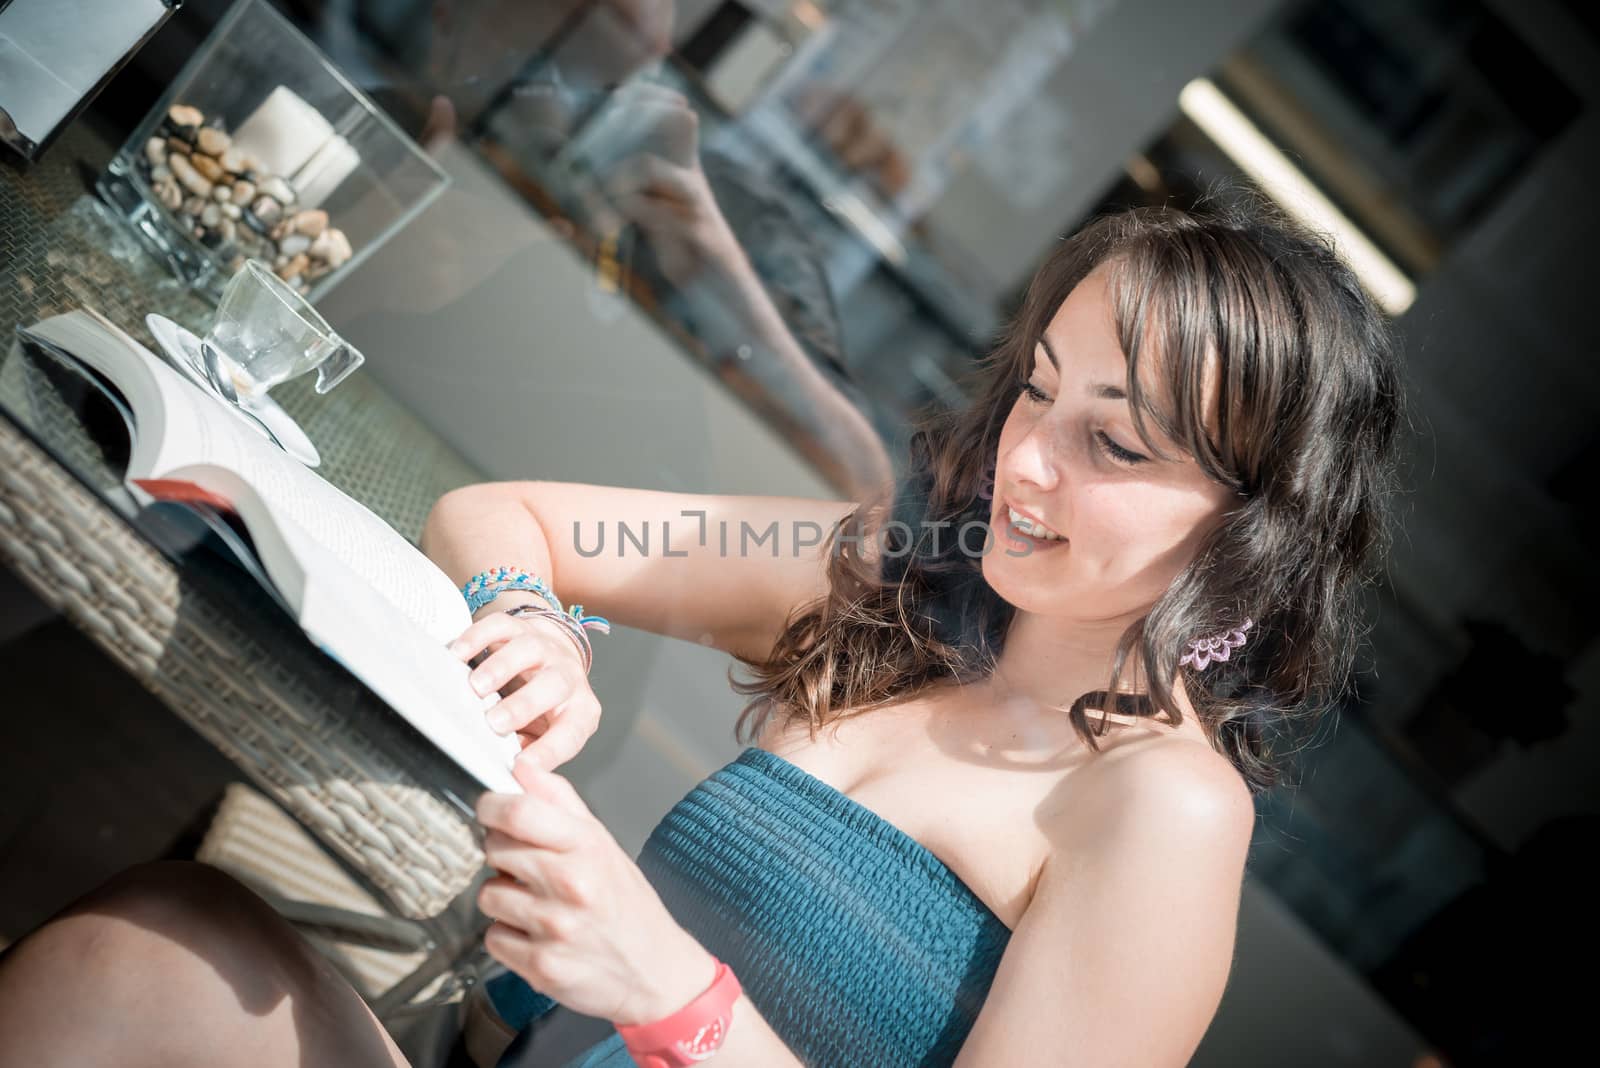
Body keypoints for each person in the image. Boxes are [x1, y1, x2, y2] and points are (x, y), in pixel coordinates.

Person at [0, 199, 1404, 1066]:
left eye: (1111, 443)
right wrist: (530, 624)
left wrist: (665, 986)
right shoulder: (902, 574)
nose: (1025, 462)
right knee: (139, 953)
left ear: (1250, 523)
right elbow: (514, 521)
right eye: (1036, 394)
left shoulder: (1163, 805)